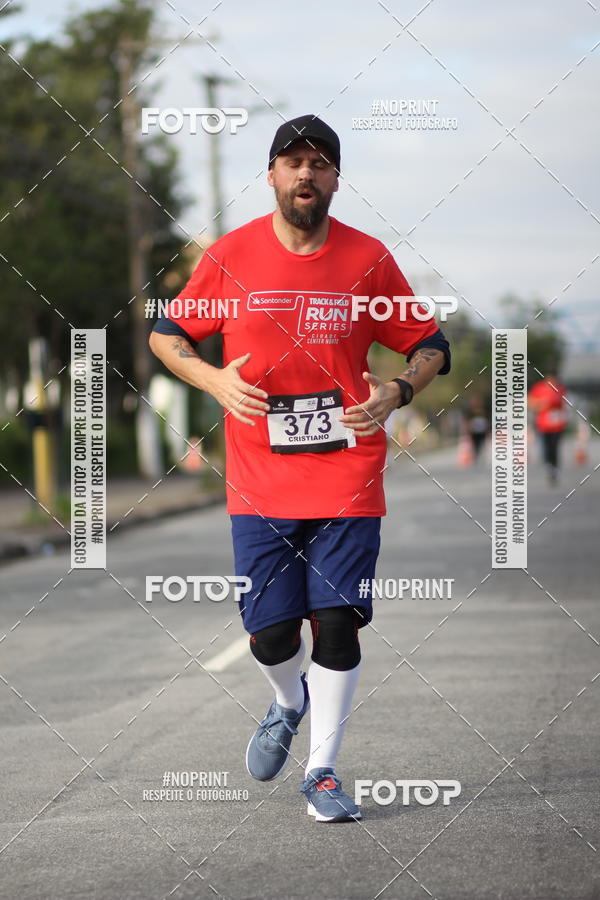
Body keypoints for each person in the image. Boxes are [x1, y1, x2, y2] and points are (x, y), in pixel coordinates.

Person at [149, 115, 451, 823]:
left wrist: (398, 390)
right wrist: (214, 381)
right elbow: (167, 335)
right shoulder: (230, 256)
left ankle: (322, 772)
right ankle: (289, 701)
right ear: (272, 176)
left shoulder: (369, 259)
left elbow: (431, 343)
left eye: (319, 162)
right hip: (259, 480)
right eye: (293, 162)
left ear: (336, 178)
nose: (306, 172)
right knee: (271, 634)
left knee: (337, 622)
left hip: (348, 471)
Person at [528, 372, 568, 485]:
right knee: (545, 447)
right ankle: (548, 465)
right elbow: (530, 404)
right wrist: (541, 404)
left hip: (557, 425)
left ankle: (554, 468)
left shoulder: (560, 389)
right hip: (543, 425)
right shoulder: (538, 389)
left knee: (554, 447)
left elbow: (564, 405)